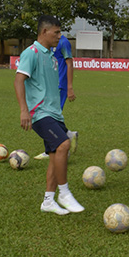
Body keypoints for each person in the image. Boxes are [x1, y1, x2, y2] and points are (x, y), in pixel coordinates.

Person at [14, 15, 84, 215]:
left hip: (54, 114)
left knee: (55, 155)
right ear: (44, 32)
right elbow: (19, 80)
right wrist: (24, 110)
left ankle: (48, 201)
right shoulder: (32, 53)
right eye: (57, 32)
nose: (60, 36)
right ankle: (64, 193)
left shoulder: (52, 56)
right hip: (39, 113)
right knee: (64, 144)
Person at [34, 34, 78, 160]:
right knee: (49, 116)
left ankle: (54, 151)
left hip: (59, 85)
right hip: (48, 85)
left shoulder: (63, 42)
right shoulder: (47, 43)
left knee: (49, 116)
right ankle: (69, 134)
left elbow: (69, 63)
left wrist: (69, 87)